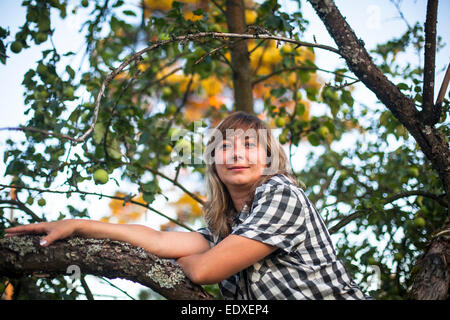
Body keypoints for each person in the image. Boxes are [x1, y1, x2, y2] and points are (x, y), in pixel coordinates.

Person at [5, 111, 367, 300]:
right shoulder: (232, 223)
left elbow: (203, 271)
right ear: (214, 161)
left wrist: (190, 261)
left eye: (250, 145)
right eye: (226, 146)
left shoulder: (282, 194)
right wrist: (78, 224)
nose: (236, 154)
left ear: (270, 158)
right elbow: (158, 241)